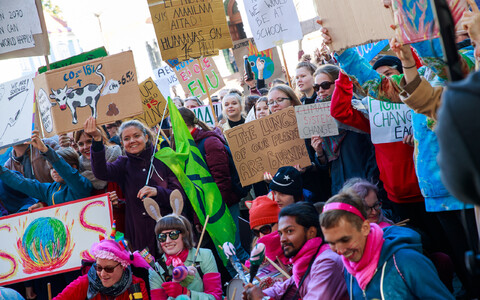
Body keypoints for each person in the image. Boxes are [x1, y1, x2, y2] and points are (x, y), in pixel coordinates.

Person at [320, 192, 454, 299]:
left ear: (365, 228)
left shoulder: (406, 262)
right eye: (332, 243)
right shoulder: (349, 268)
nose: (340, 250)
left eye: (345, 239)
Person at [89, 117, 184, 255]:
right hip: (140, 234)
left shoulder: (164, 159)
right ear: (122, 143)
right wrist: (97, 141)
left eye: (136, 136)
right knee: (148, 272)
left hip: (169, 232)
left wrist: (157, 191)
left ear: (146, 137)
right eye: (127, 138)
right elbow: (100, 172)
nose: (132, 141)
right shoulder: (123, 164)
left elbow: (180, 196)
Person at [178, 107, 249, 266]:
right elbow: (194, 187)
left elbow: (222, 181)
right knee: (225, 256)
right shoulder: (185, 146)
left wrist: (212, 209)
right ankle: (243, 287)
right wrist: (199, 216)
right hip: (208, 210)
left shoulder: (209, 142)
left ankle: (259, 283)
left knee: (234, 251)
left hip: (223, 206)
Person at [243, 202, 348, 300]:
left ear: (311, 232)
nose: (282, 239)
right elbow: (282, 289)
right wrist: (256, 294)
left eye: (289, 231)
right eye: (280, 233)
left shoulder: (326, 262)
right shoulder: (305, 261)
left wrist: (262, 298)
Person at [311, 64, 378, 195]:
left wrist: (370, 182)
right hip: (339, 188)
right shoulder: (315, 115)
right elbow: (325, 167)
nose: (320, 90)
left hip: (364, 186)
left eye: (325, 85)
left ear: (338, 84)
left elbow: (373, 152)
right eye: (316, 87)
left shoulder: (357, 109)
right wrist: (319, 153)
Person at [0, 130, 92, 208]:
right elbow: (22, 183)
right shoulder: (50, 190)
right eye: (51, 168)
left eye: (56, 168)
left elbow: (63, 168)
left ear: (73, 167)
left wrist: (45, 151)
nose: (54, 171)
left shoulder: (81, 184)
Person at [148, 214, 222, 300]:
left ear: (184, 235)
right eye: (162, 237)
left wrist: (186, 293)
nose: (167, 241)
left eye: (173, 234)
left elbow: (216, 297)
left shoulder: (205, 255)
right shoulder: (155, 270)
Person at [54, 239, 150, 300]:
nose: (103, 274)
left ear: (123, 266)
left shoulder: (135, 285)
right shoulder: (84, 283)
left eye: (109, 269)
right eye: (98, 268)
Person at [73, 127, 125, 233]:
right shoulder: (78, 170)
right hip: (99, 232)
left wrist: (120, 202)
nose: (85, 147)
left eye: (89, 141)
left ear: (101, 139)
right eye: (81, 144)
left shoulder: (119, 161)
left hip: (124, 227)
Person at [246, 195, 289, 266]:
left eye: (265, 229)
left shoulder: (296, 245)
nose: (261, 236)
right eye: (256, 232)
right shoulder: (257, 252)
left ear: (280, 223)